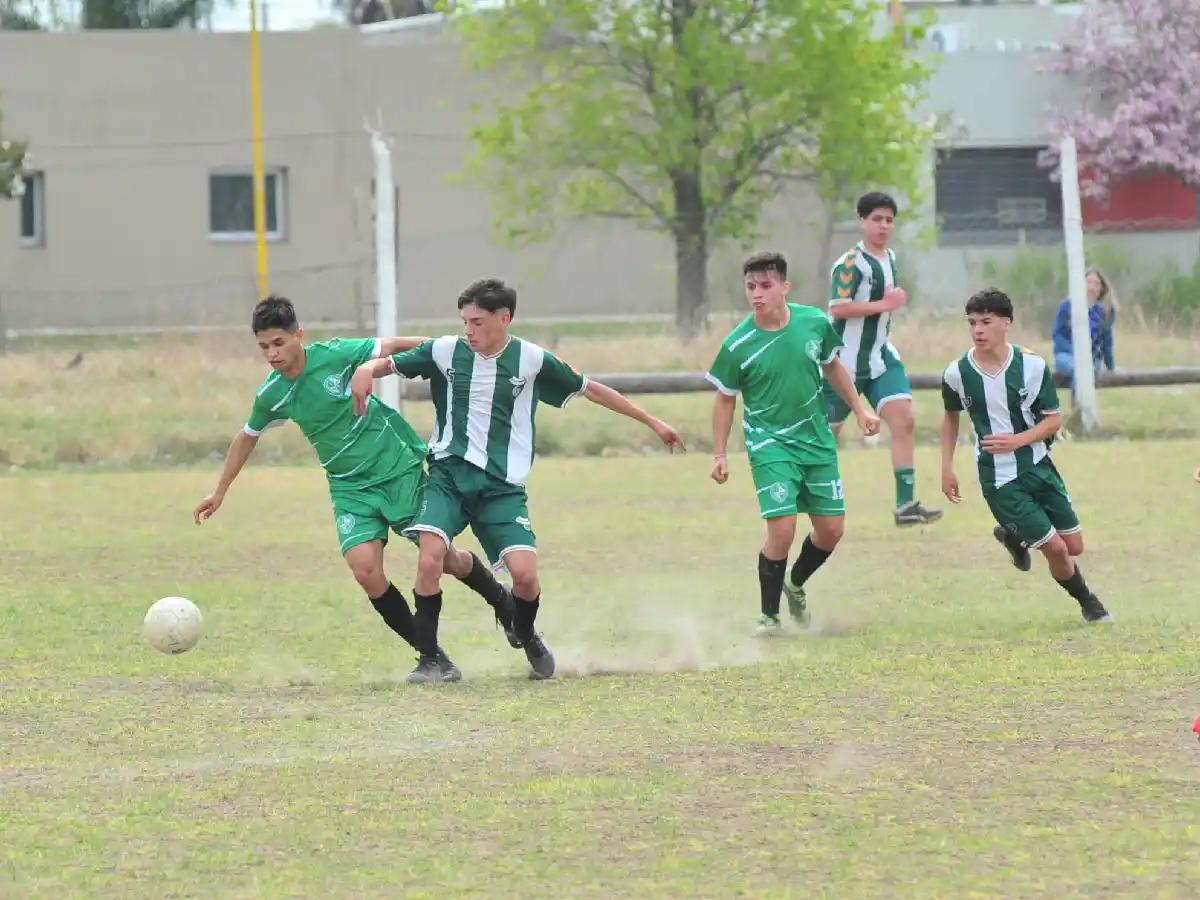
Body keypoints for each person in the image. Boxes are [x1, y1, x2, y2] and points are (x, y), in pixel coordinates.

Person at [349, 278, 686, 683]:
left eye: (477, 322)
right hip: (448, 477)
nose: (468, 331)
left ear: (503, 318)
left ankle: (523, 631)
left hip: (502, 487)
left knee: (525, 577)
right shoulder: (445, 351)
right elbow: (388, 364)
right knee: (429, 557)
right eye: (464, 322)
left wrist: (652, 421)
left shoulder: (531, 359)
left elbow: (589, 389)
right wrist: (367, 369)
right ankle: (431, 660)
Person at [194, 295, 521, 684]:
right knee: (366, 572)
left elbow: (394, 346)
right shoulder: (272, 393)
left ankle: (502, 601)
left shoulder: (334, 354)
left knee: (447, 561)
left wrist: (448, 350)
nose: (272, 353)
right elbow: (247, 437)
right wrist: (219, 492)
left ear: (298, 336)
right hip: (349, 487)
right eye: (264, 347)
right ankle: (432, 657)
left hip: (396, 468)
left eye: (279, 343)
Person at [707, 251, 882, 636]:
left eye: (766, 286)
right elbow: (724, 398)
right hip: (769, 444)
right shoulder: (738, 344)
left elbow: (833, 365)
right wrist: (720, 453)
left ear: (784, 287)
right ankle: (769, 617)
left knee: (831, 530)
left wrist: (861, 409)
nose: (757, 294)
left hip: (816, 440)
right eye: (751, 287)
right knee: (782, 530)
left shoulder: (815, 323)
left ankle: (795, 583)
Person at [939, 287, 1113, 624]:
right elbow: (949, 418)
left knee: (1074, 547)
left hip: (1038, 466)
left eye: (986, 322)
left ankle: (1012, 534)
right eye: (972, 323)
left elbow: (1053, 421)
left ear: (1007, 323)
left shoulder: (1032, 365)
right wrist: (946, 468)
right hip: (998, 477)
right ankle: (1091, 605)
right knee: (1057, 551)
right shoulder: (957, 373)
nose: (977, 330)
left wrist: (1018, 440)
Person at [823, 191, 942, 528]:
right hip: (841, 363)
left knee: (904, 419)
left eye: (889, 220)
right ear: (862, 222)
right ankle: (816, 500)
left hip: (880, 357)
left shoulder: (890, 256)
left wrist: (884, 310)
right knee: (824, 437)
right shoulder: (849, 264)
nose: (883, 225)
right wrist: (883, 306)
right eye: (876, 219)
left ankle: (905, 506)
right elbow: (838, 307)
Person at [1051, 266, 1119, 397]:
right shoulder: (1067, 306)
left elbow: (1107, 342)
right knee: (1078, 370)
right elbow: (1057, 334)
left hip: (1091, 359)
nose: (1091, 287)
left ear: (1102, 289)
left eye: (1096, 284)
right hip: (1066, 355)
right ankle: (1079, 409)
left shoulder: (1104, 312)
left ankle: (1081, 409)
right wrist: (1074, 353)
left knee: (1087, 371)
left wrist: (1111, 367)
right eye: (1088, 282)